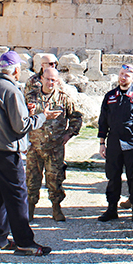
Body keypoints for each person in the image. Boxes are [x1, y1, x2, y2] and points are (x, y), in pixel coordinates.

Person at [0, 50, 59, 256]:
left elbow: (5, 116)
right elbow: (20, 126)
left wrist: (26, 111)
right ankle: (24, 242)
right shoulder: (12, 90)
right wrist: (43, 116)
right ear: (15, 69)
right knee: (17, 195)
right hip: (6, 150)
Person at [24, 66, 82, 222]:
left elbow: (76, 117)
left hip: (55, 148)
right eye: (48, 79)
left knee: (55, 180)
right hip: (34, 148)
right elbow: (20, 118)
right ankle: (30, 209)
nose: (51, 83)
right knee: (31, 179)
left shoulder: (64, 98)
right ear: (41, 79)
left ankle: (56, 208)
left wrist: (69, 134)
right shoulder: (30, 97)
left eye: (54, 80)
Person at [98, 64, 133, 222]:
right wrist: (102, 143)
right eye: (121, 74)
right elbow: (103, 121)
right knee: (113, 176)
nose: (123, 77)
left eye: (127, 75)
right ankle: (111, 209)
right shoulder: (110, 96)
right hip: (114, 142)